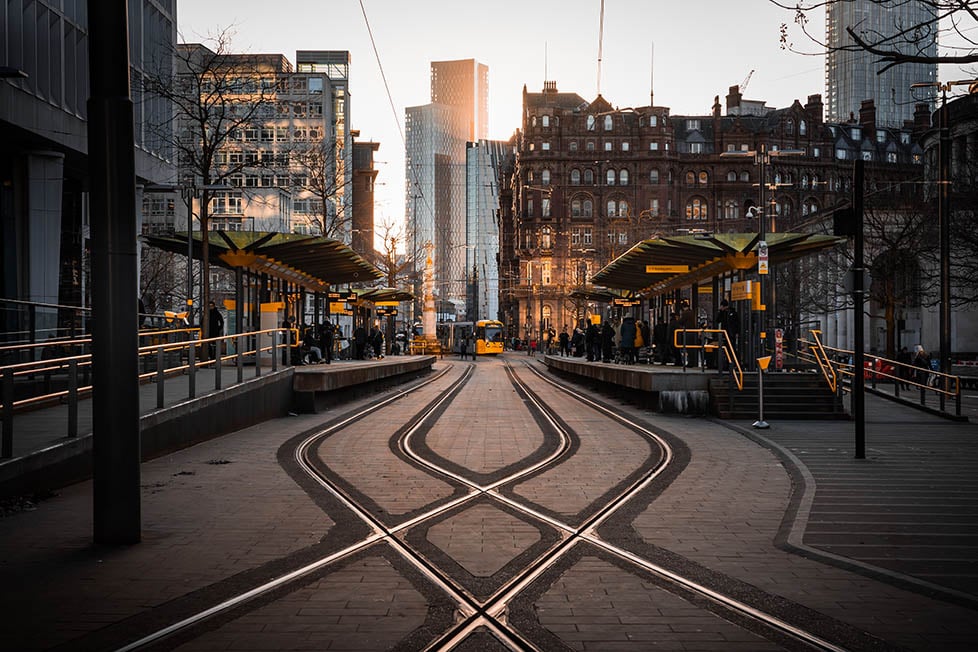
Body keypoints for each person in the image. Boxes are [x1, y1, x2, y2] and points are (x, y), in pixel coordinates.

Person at [714, 299, 739, 371]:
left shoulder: (729, 313)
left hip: (728, 334)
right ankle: (731, 364)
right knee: (730, 350)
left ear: (722, 306)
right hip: (729, 334)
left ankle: (731, 364)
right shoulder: (731, 312)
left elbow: (718, 320)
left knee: (730, 350)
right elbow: (718, 320)